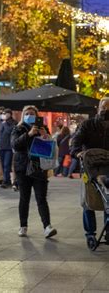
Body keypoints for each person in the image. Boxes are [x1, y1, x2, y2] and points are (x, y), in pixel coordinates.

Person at [11, 105, 57, 238]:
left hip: (38, 167)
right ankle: (23, 226)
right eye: (27, 113)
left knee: (41, 198)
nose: (29, 115)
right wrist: (29, 134)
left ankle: (47, 226)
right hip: (23, 168)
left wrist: (45, 135)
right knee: (24, 198)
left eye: (32, 113)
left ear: (37, 116)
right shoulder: (18, 129)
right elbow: (14, 145)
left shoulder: (43, 128)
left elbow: (49, 147)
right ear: (23, 115)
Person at [70, 97, 109, 244]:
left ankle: (108, 230)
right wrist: (77, 152)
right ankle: (90, 233)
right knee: (89, 201)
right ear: (98, 108)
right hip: (90, 167)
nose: (106, 110)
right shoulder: (87, 125)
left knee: (108, 200)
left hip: (108, 168)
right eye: (104, 107)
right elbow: (76, 142)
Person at [0, 108, 17, 188]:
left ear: (10, 114)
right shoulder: (1, 123)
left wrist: (5, 124)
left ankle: (7, 181)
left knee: (7, 165)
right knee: (3, 165)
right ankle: (5, 180)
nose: (3, 115)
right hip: (1, 147)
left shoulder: (14, 123)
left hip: (9, 147)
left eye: (5, 113)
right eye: (3, 113)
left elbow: (9, 131)